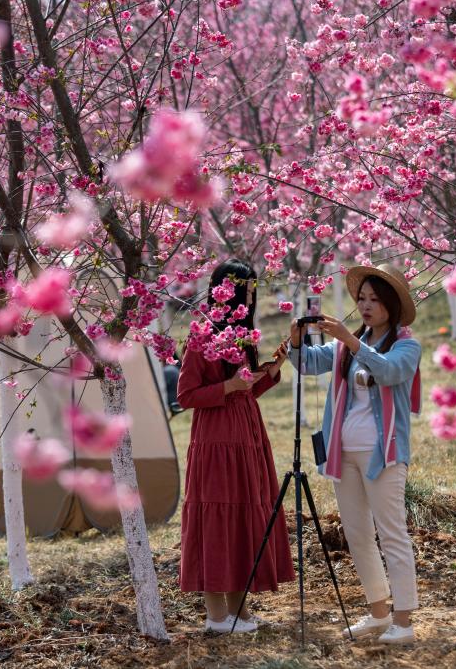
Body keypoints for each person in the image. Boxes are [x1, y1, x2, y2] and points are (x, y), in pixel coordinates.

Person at [287, 264, 422, 645]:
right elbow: (308, 365)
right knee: (358, 534)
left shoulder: (406, 345)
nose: (365, 306)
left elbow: (391, 372)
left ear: (391, 306)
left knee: (391, 534)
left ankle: (404, 621)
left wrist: (351, 341)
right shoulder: (347, 346)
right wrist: (296, 341)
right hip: (342, 452)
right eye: (361, 298)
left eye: (374, 300)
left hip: (383, 453)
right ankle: (379, 613)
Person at [177, 259, 295, 634]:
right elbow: (186, 394)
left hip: (245, 434)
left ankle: (239, 612)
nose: (248, 293)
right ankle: (216, 617)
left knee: (243, 516)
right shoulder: (202, 335)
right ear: (221, 289)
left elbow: (246, 389)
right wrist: (228, 387)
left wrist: (271, 370)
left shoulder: (242, 332)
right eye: (242, 286)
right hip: (216, 439)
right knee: (217, 518)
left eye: (250, 287)